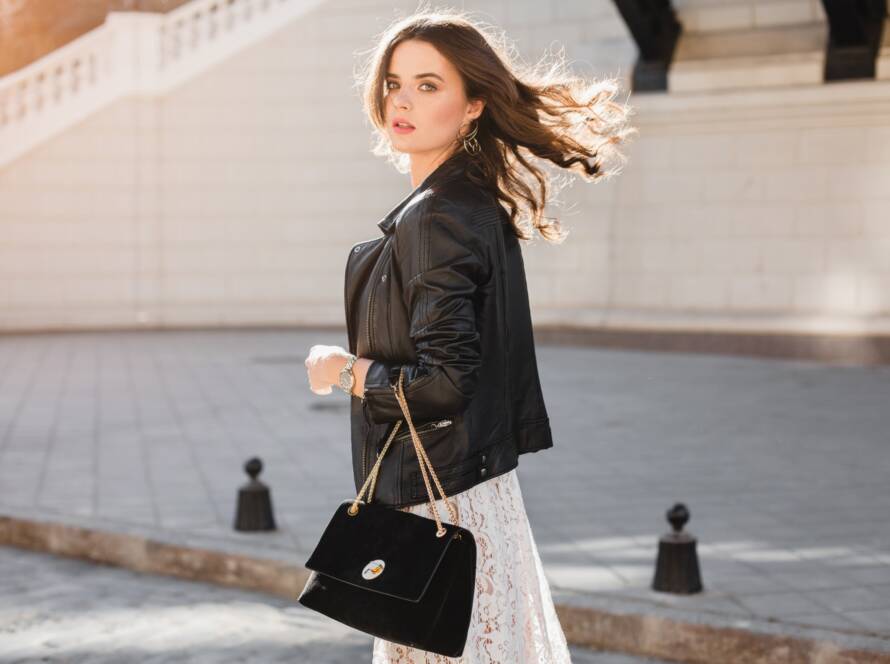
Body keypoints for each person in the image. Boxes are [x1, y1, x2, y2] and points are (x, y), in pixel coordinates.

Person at [304, 8, 636, 663]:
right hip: (475, 494)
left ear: (474, 104)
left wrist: (342, 371)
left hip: (440, 503)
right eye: (396, 83)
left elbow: (447, 381)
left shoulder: (437, 218)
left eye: (429, 85)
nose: (403, 100)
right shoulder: (470, 201)